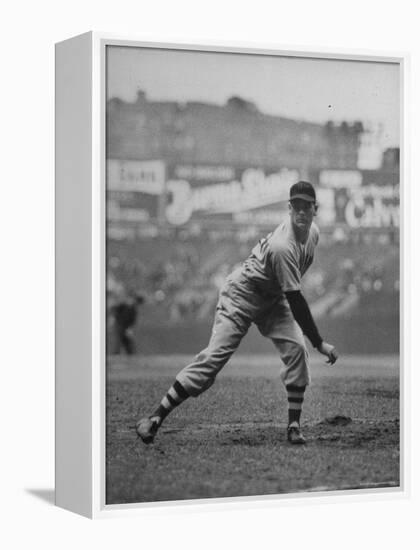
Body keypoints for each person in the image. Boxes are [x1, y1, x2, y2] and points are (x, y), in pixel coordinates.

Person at [136, 181, 338, 444]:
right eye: (296, 207)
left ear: (315, 210)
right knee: (212, 360)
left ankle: (293, 425)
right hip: (242, 294)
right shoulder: (282, 246)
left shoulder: (314, 234)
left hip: (273, 299)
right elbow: (296, 300)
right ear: (289, 209)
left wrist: (311, 342)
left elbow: (291, 293)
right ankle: (154, 418)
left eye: (306, 207)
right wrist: (320, 342)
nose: (301, 212)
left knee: (298, 351)